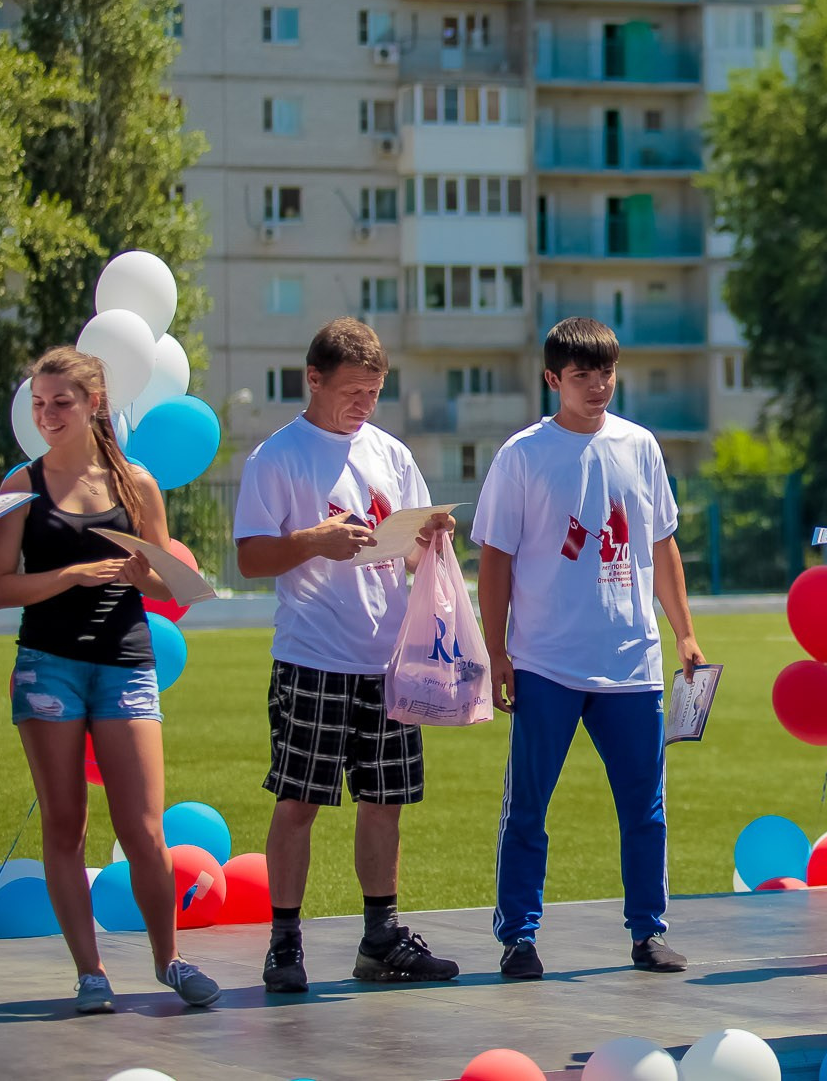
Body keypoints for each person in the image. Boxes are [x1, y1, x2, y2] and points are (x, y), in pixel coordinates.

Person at [0, 348, 221, 1013]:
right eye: (39, 403)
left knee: (144, 829)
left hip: (125, 664)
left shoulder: (136, 483)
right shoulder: (20, 485)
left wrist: (146, 575)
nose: (48, 415)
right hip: (47, 667)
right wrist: (72, 575)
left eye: (61, 402)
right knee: (65, 825)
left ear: (94, 404)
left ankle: (169, 960)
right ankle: (91, 974)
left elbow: (167, 581)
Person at [473, 318, 703, 978]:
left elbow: (661, 544)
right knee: (528, 807)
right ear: (553, 379)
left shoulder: (640, 445)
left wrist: (684, 631)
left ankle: (648, 931)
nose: (598, 385)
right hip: (545, 661)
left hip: (633, 662)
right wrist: (497, 651)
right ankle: (519, 936)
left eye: (606, 372)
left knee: (645, 809)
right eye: (582, 375)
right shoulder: (523, 454)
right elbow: (495, 558)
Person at [234, 318, 458, 993]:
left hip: (389, 660)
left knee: (385, 801)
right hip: (313, 656)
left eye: (374, 391)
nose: (365, 403)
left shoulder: (391, 454)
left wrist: (432, 540)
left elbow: (412, 552)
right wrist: (314, 540)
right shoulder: (277, 456)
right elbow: (250, 558)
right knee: (299, 799)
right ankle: (284, 944)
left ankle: (381, 939)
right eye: (353, 390)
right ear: (314, 378)